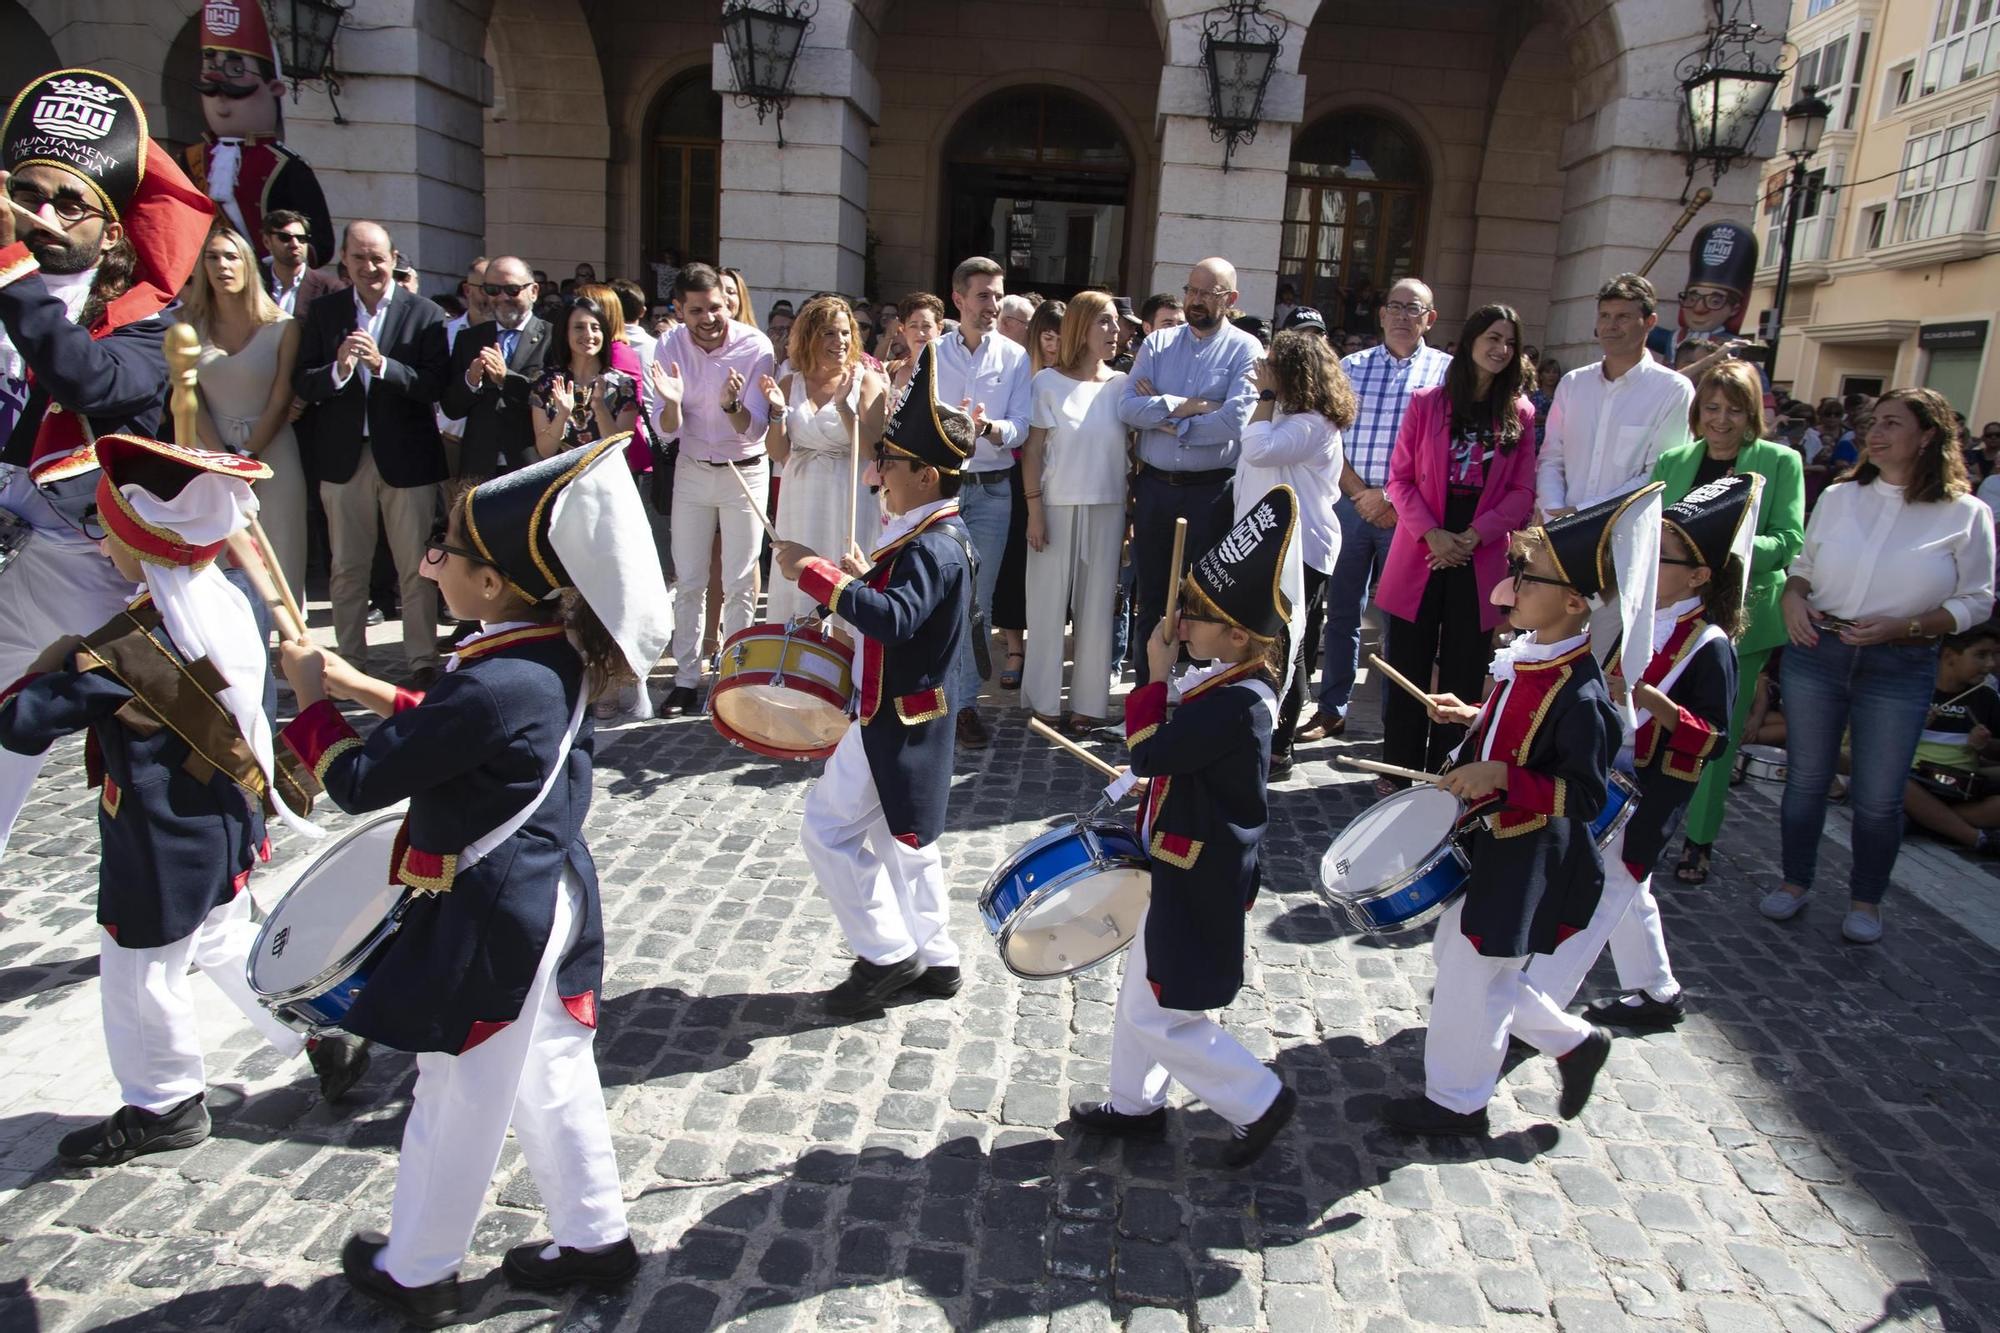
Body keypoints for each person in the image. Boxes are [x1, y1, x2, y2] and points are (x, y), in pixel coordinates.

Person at [278, 437, 668, 1324]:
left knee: (454, 1088)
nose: (430, 561)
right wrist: (357, 684)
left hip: (500, 916)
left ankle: (419, 1268)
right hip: (547, 895)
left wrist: (310, 701)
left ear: (491, 583)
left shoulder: (497, 679)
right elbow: (455, 727)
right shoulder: (540, 651)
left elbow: (360, 783)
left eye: (441, 550)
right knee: (550, 1072)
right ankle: (594, 1238)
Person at [0, 435, 360, 1168]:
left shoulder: (128, 646)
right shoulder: (223, 605)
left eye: (111, 534)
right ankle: (316, 1030)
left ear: (148, 544)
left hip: (161, 836)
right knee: (224, 938)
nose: (101, 546)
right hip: (227, 817)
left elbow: (22, 721)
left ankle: (163, 1101)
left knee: (140, 971)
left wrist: (48, 664)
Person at [1381, 489, 1658, 1137]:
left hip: (1531, 854)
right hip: (1494, 842)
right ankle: (1573, 1041)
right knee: (1468, 955)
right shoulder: (1530, 659)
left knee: (1473, 972)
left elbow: (1586, 796)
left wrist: (1503, 775)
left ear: (1572, 601)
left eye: (1525, 579)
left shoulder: (1582, 690)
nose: (1508, 590)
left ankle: (1457, 1106)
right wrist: (1473, 717)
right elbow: (1520, 729)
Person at [0, 68, 215, 864]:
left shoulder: (144, 323)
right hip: (8, 561)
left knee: (173, 781)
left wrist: (10, 267)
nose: (41, 215)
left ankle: (216, 932)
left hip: (86, 575)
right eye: (26, 193)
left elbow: (83, 380)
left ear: (114, 230)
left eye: (69, 203)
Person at [1067, 486, 1301, 1167]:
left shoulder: (1235, 704)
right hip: (1181, 857)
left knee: (1158, 1007)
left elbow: (1154, 748)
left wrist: (1154, 671)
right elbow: (1182, 766)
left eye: (1196, 614)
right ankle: (1134, 1104)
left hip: (1201, 871)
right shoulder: (1225, 688)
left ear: (1236, 636)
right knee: (1147, 982)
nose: (1179, 621)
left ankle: (1256, 1097)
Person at [771, 344, 974, 1015]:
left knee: (827, 829)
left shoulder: (933, 545)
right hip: (905, 712)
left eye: (887, 459)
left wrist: (817, 575)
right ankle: (936, 955)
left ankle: (887, 952)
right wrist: (859, 584)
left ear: (923, 472)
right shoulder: (930, 534)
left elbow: (895, 618)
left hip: (891, 718)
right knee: (905, 843)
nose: (876, 470)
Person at [1526, 475, 1759, 1035]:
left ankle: (1534, 1017)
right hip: (1611, 772)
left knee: (1601, 891)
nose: (1650, 564)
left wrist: (1659, 706)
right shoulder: (1640, 616)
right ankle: (1657, 990)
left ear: (1700, 576)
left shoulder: (1710, 644)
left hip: (1651, 791)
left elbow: (1716, 738)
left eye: (1665, 558)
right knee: (1632, 889)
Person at [1767, 388, 1996, 943]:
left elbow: (1978, 601)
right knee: (1806, 780)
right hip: (1820, 651)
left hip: (1901, 661)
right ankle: (1795, 882)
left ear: (1927, 437)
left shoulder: (1965, 514)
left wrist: (1907, 627)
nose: (1876, 431)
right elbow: (1806, 563)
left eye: (1893, 423)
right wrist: (1793, 597)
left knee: (1878, 794)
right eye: (1874, 421)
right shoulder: (1843, 497)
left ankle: (1866, 899)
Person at [1649, 360, 1806, 884]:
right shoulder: (1674, 460)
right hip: (1670, 613)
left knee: (1716, 733)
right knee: (1656, 721)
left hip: (1742, 619)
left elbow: (1788, 540)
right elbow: (1651, 529)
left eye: (1734, 410)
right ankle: (1645, 821)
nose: (1720, 420)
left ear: (1752, 413)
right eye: (1711, 408)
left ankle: (1699, 839)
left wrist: (1726, 551)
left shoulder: (1781, 462)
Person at [1376, 304, 1540, 783]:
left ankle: (1451, 770)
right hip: (1423, 547)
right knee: (1407, 661)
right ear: (1470, 342)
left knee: (1465, 671)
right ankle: (1400, 768)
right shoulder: (1427, 402)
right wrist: (1433, 533)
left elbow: (1523, 492)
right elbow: (1400, 480)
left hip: (1480, 550)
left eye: (1509, 342)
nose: (1500, 349)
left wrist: (1473, 535)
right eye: (1492, 338)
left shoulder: (1521, 413)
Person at [294, 220, 451, 686]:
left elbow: (433, 385)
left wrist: (383, 366)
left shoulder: (423, 313)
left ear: (394, 258)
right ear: (345, 260)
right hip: (344, 458)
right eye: (360, 257)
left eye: (378, 257)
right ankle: (350, 661)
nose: (370, 267)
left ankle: (421, 659)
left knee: (416, 567)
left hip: (406, 458)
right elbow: (302, 381)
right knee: (347, 568)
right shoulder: (324, 314)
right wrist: (339, 369)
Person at [1300, 277, 1451, 741]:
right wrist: (1361, 492)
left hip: (1412, 513)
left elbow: (1443, 450)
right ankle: (1332, 709)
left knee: (1401, 623)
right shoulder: (1350, 367)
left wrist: (1391, 497)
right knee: (1341, 612)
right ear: (1381, 314)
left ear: (1431, 318)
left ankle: (1396, 723)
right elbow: (1329, 437)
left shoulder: (1446, 373)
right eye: (1396, 307)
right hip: (1349, 504)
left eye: (1415, 308)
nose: (1404, 316)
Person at [1117, 258, 1260, 686]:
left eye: (1208, 293)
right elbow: (1127, 407)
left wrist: (1163, 409)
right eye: (1191, 291)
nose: (1195, 300)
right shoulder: (1159, 345)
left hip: (1212, 492)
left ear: (1230, 299)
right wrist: (1193, 406)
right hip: (1157, 489)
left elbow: (1233, 422)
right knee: (1153, 598)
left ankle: (1201, 694)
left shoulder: (1244, 349)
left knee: (1208, 602)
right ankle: (1148, 692)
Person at [648, 263, 776, 715]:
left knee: (741, 581)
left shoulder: (754, 345)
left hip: (745, 469)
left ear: (728, 302)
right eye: (697, 309)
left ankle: (734, 677)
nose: (709, 318)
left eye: (716, 307)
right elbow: (665, 434)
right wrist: (671, 403)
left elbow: (756, 427)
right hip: (693, 469)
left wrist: (733, 405)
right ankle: (686, 679)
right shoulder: (668, 345)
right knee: (689, 580)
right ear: (679, 309)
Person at [1237, 328, 1354, 774]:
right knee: (1279, 645)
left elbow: (1260, 450)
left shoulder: (1312, 424)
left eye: (1272, 364)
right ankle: (1270, 739)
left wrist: (1265, 394)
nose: (1263, 369)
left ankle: (1280, 746)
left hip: (1300, 549)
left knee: (1287, 647)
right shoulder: (1285, 414)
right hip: (1269, 545)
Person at [935, 258, 1033, 746]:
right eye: (983, 295)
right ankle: (930, 700)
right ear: (958, 298)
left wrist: (990, 428)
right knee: (936, 596)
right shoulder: (934, 353)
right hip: (942, 488)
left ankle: (966, 705)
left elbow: (1021, 425)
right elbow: (920, 414)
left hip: (994, 489)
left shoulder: (1015, 357)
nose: (992, 305)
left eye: (997, 295)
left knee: (979, 601)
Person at [182, 223, 308, 593]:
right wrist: (222, 459)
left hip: (273, 452)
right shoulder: (186, 325)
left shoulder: (283, 327)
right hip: (210, 453)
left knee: (282, 552)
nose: (222, 265)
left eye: (231, 256)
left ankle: (287, 645)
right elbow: (190, 399)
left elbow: (281, 398)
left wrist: (248, 455)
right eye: (212, 257)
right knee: (216, 553)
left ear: (247, 264)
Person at [1022, 293, 1127, 731]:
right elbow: (1032, 452)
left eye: (1117, 323)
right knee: (1046, 607)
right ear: (1081, 327)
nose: (1115, 331)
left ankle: (1089, 702)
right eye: (1105, 322)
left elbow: (1132, 454)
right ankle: (1044, 700)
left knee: (1098, 607)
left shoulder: (1123, 384)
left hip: (1109, 505)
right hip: (1055, 504)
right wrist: (1034, 511)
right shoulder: (1047, 382)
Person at [759, 295, 888, 627]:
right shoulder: (790, 383)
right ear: (810, 336)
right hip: (800, 492)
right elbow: (777, 452)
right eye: (830, 333)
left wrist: (845, 407)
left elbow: (875, 448)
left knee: (844, 577)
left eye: (846, 333)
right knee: (800, 576)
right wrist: (776, 413)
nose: (841, 341)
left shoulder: (865, 379)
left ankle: (849, 665)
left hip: (849, 493)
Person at [1535, 273, 1695, 518]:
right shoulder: (1573, 384)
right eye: (1605, 316)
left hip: (1625, 540)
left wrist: (1582, 514)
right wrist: (1554, 513)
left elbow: (1658, 476)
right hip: (1559, 534)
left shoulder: (1673, 390)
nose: (1611, 326)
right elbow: (1551, 459)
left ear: (1650, 322)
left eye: (1623, 317)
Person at [995, 300, 1066, 690]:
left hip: (1064, 482)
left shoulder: (1077, 374)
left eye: (1061, 335)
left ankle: (1044, 646)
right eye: (1048, 334)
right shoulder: (1022, 371)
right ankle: (1014, 648)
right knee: (1013, 567)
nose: (1054, 343)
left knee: (1050, 569)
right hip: (1017, 478)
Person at [440, 257, 551, 486]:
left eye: (512, 289)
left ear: (534, 291)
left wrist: (505, 379)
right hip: (480, 465)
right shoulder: (469, 338)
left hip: (530, 465)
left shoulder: (553, 337)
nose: (502, 298)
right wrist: (470, 382)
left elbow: (552, 401)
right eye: (492, 289)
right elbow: (451, 407)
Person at [1904, 622, 2000, 853]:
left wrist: (1984, 746)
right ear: (1949, 655)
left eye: (1995, 656)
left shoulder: (1987, 697)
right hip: (1916, 781)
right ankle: (1974, 838)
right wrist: (1910, 727)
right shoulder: (1911, 688)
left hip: (1963, 784)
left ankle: (1927, 821)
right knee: (1894, 781)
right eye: (1981, 655)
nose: (1991, 665)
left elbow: (1997, 752)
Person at [530, 296, 639, 459]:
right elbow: (545, 451)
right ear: (565, 333)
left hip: (605, 480)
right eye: (579, 327)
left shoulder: (623, 385)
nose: (589, 335)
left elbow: (620, 452)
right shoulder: (545, 382)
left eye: (595, 328)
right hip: (562, 482)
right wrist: (562, 415)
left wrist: (600, 407)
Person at [261, 208, 339, 315]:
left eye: (301, 238)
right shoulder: (255, 284)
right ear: (267, 242)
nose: (295, 244)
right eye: (285, 237)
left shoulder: (330, 288)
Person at [888, 291, 945, 395]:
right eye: (913, 326)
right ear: (903, 329)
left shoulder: (952, 371)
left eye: (926, 326)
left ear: (939, 328)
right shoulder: (891, 370)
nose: (920, 333)